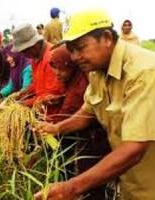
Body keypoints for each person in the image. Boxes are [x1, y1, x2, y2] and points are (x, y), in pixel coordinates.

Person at [33, 9, 155, 200]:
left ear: (106, 38)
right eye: (71, 50)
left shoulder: (144, 72)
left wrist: (72, 187)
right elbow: (88, 112)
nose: (74, 57)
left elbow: (135, 147)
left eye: (80, 48)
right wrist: (55, 128)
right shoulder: (96, 71)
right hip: (129, 180)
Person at [46, 45, 111, 199]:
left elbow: (87, 114)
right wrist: (55, 126)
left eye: (61, 69)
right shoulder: (77, 81)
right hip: (82, 138)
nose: (57, 74)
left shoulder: (85, 83)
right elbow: (84, 109)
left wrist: (55, 127)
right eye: (54, 69)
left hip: (96, 141)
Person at [11, 23, 64, 108]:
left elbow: (53, 95)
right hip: (42, 110)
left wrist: (22, 104)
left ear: (34, 45)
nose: (23, 55)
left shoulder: (51, 58)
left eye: (24, 51)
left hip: (54, 114)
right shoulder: (35, 58)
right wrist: (25, 92)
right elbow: (37, 84)